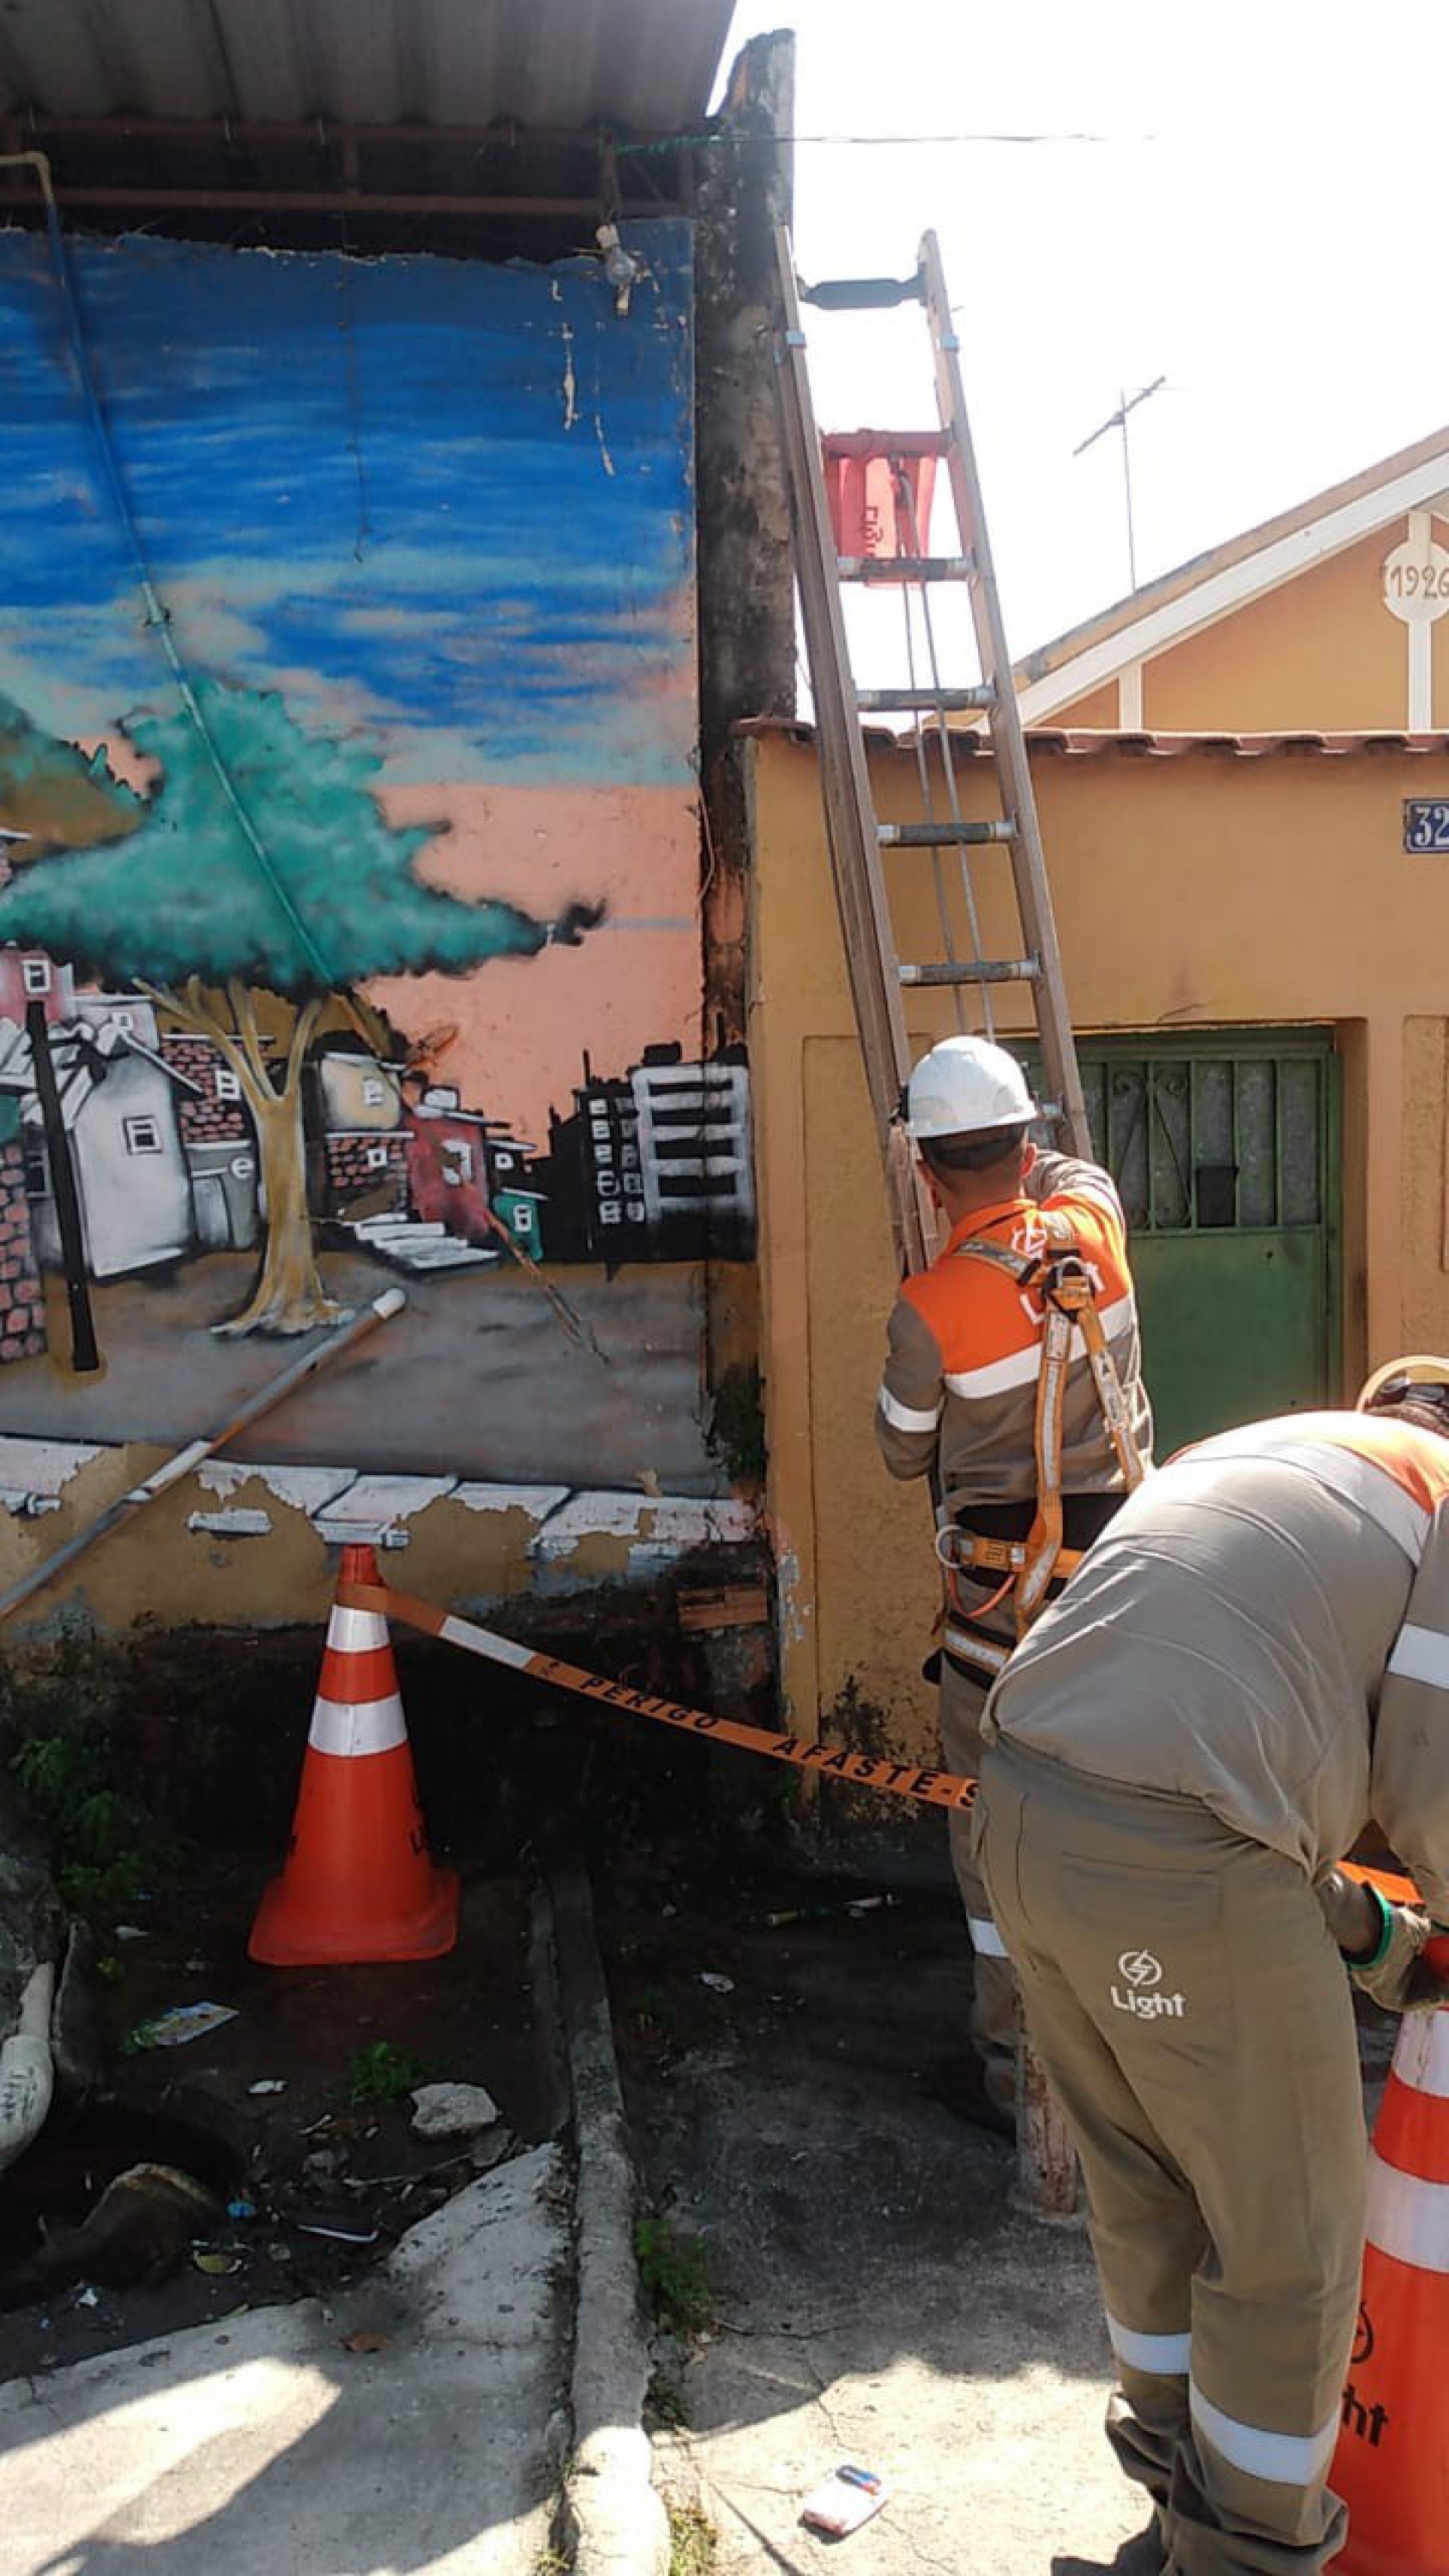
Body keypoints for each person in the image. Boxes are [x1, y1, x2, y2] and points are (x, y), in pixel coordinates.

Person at [974, 1363, 1449, 2576]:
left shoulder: (1254, 1454)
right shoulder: (1444, 1498)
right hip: (1185, 1850)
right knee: (1293, 2240)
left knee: (1149, 2195)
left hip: (1022, 1810)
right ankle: (1236, 2557)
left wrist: (1368, 1931)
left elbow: (1221, 1730)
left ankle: (1172, 2518)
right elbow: (1430, 1770)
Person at [874, 1033, 1152, 2133]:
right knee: (1123, 1826)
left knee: (993, 1837)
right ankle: (1131, 2061)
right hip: (1122, 1604)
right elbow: (1082, 1175)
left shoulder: (930, 1306)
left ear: (924, 1171)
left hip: (1000, 1624)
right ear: (1029, 1147)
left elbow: (902, 1451)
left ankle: (1011, 2070)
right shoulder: (1096, 1233)